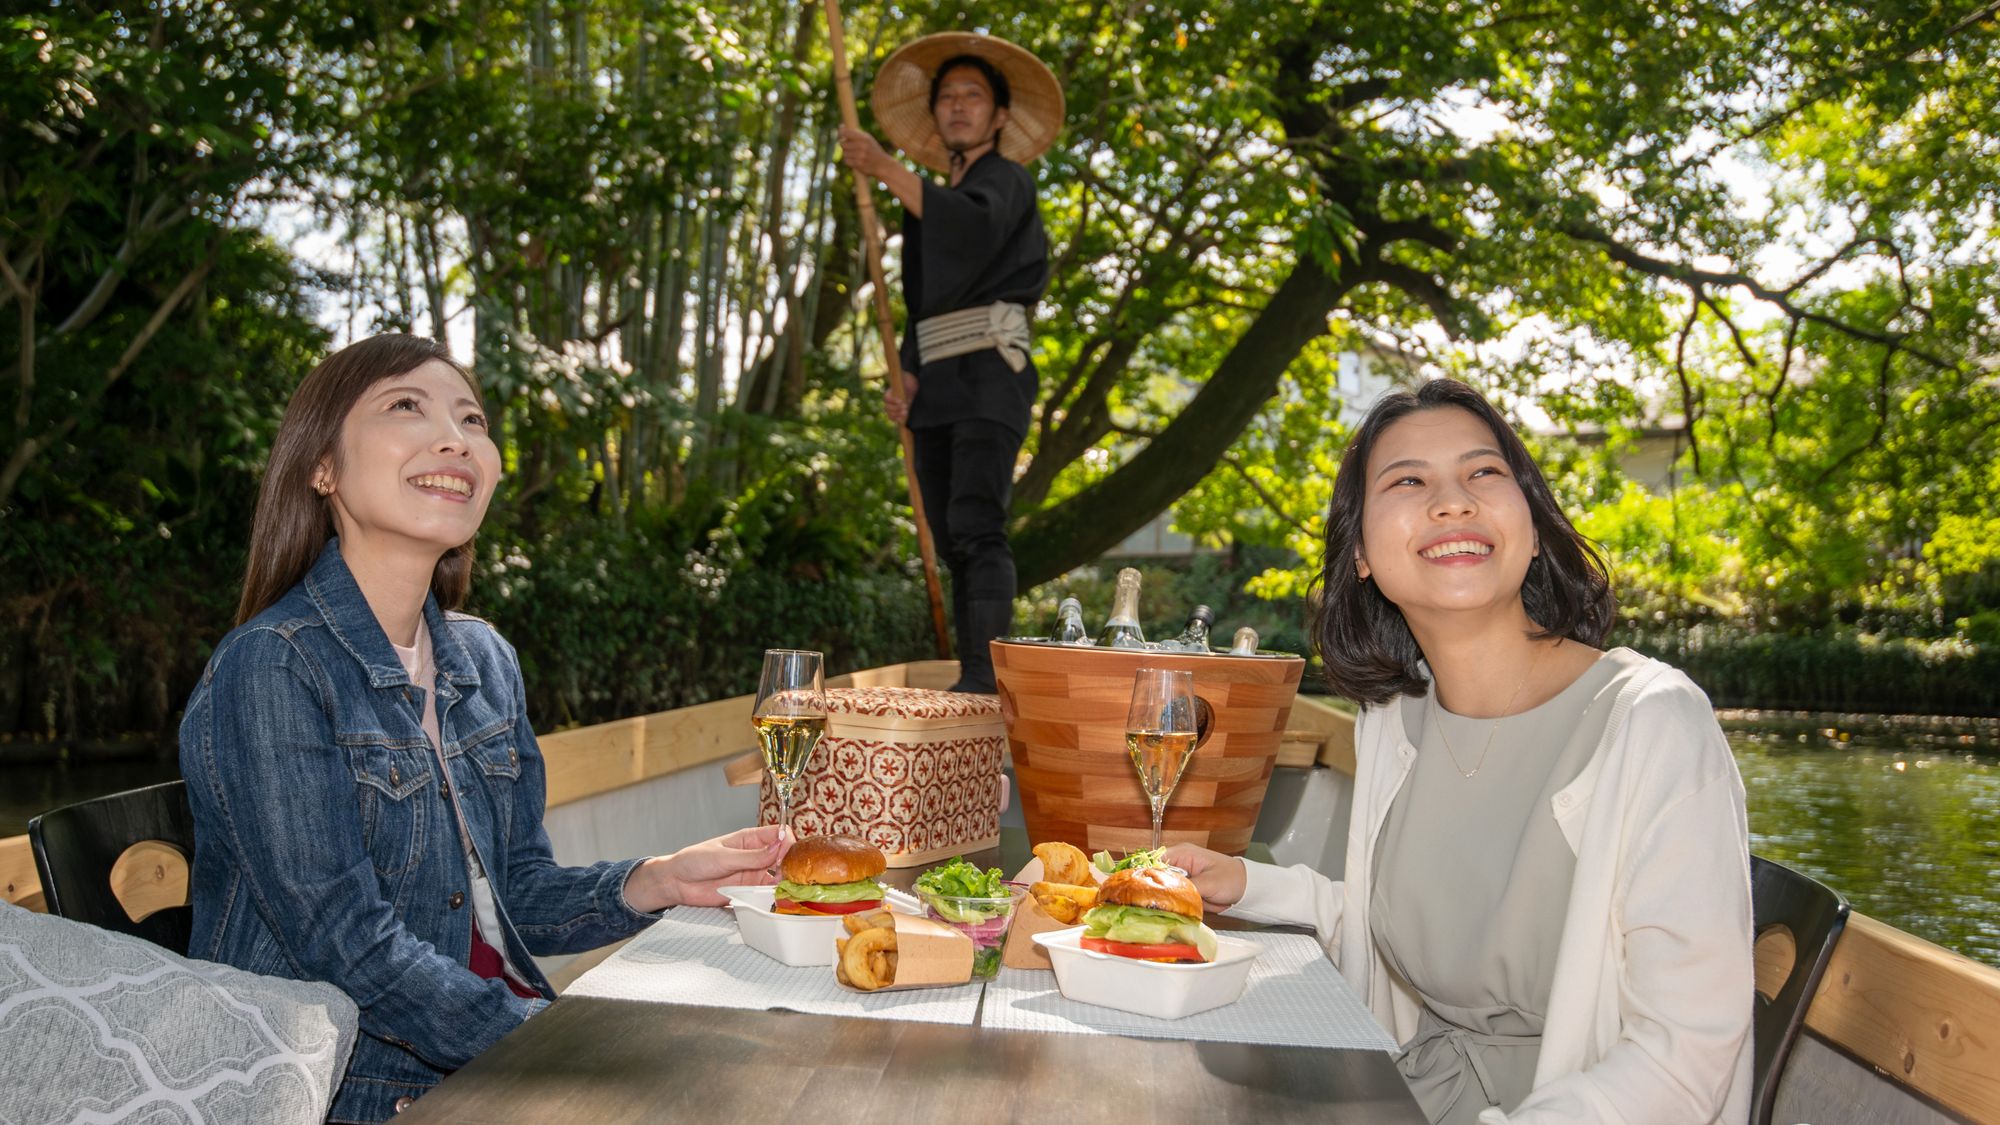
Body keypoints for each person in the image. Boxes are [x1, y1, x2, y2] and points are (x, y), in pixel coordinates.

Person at [179, 334, 790, 1123]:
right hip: (344, 1092)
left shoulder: (483, 658)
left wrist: (660, 878)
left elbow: (515, 891)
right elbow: (347, 946)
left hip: (493, 1059)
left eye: (471, 418)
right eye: (407, 406)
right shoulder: (272, 667)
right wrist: (559, 1040)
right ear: (320, 466)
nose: (454, 437)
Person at [1168, 379, 1754, 1124]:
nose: (1453, 501)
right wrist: (1248, 884)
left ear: (1533, 528)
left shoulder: (1653, 722)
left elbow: (1686, 1054)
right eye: (1409, 480)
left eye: (1483, 473)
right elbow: (1415, 925)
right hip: (1413, 1094)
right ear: (1361, 557)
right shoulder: (1393, 721)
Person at [837, 33, 1062, 693]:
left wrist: (883, 167)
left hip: (992, 372)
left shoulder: (1007, 182)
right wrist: (909, 370)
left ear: (998, 116)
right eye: (948, 97)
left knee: (976, 521)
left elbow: (969, 224)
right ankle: (971, 669)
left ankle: (985, 675)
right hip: (938, 381)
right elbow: (924, 302)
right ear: (935, 115)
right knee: (947, 532)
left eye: (975, 96)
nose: (959, 106)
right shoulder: (926, 202)